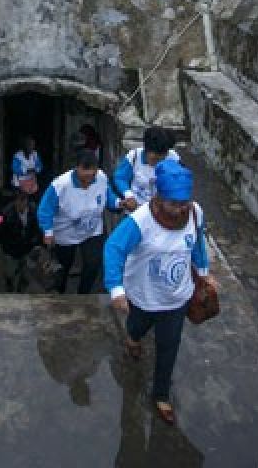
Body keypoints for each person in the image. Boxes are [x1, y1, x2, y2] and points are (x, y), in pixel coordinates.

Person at [105, 160, 214, 426]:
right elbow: (113, 249)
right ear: (159, 197)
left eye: (184, 202)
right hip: (144, 294)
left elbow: (197, 242)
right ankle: (132, 337)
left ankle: (161, 394)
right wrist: (116, 289)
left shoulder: (195, 212)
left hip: (177, 296)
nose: (180, 209)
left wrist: (204, 271)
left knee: (169, 344)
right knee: (138, 326)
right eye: (174, 203)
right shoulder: (140, 221)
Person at [38, 148, 120, 294]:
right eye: (85, 169)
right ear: (76, 168)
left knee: (93, 263)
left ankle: (84, 293)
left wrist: (119, 203)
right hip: (65, 233)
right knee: (63, 267)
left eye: (92, 170)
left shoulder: (101, 177)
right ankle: (59, 293)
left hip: (92, 230)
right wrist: (48, 231)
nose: (89, 174)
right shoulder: (60, 185)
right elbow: (45, 210)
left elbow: (108, 197)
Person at [114, 126, 181, 211]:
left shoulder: (173, 158)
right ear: (146, 149)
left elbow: (180, 181)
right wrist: (129, 195)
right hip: (137, 210)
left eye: (162, 159)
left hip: (163, 212)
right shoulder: (134, 156)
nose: (158, 163)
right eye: (154, 159)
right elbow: (120, 178)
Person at [0, 189, 44, 292]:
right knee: (10, 273)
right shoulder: (5, 214)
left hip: (28, 248)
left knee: (26, 274)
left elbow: (39, 229)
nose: (21, 203)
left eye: (23, 200)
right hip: (11, 250)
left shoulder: (34, 211)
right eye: (19, 200)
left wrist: (39, 244)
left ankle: (21, 290)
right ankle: (10, 288)